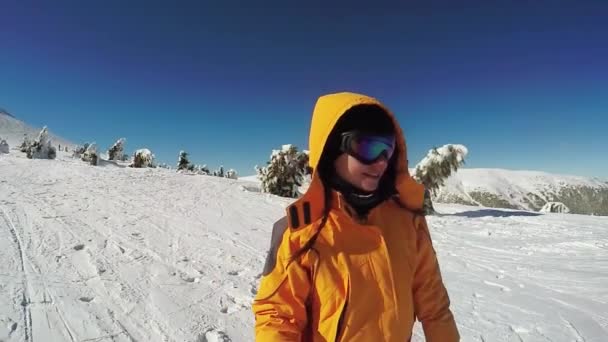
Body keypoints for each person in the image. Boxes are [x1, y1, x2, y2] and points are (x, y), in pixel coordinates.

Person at [252, 92, 459, 341]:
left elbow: (434, 305)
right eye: (368, 147)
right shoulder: (300, 231)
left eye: (387, 150)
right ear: (331, 149)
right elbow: (277, 317)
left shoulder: (408, 221)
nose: (381, 162)